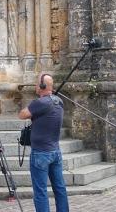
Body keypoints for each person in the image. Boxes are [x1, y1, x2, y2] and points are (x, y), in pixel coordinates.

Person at [18, 74, 69, 212]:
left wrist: (34, 107)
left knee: (40, 191)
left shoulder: (39, 103)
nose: (35, 86)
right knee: (60, 188)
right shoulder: (59, 101)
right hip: (55, 151)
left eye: (36, 84)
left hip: (40, 153)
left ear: (42, 86)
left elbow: (22, 114)